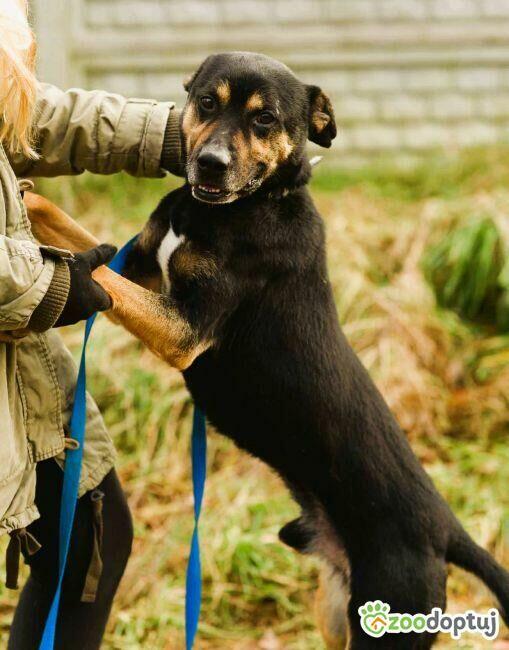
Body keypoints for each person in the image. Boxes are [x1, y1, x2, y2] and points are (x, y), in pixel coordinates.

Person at [0, 1, 183, 647]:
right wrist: (50, 285)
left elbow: (40, 118)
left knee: (89, 539)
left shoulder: (5, 93)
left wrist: (181, 134)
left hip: (23, 382)